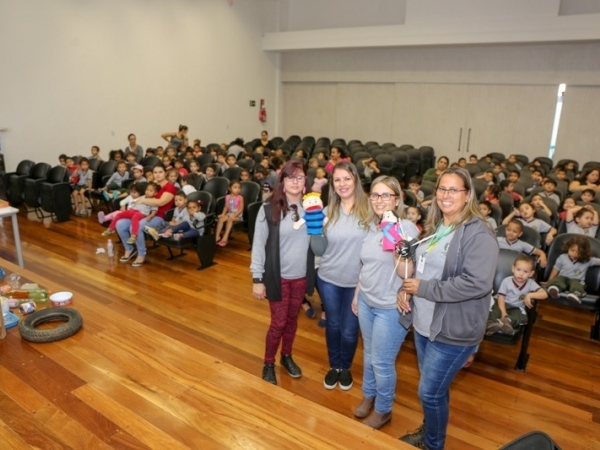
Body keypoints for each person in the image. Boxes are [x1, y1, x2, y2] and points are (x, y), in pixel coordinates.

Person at [396, 167, 498, 450]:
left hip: (454, 330)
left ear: (467, 196)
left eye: (454, 190)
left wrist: (423, 289)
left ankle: (433, 444)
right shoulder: (439, 227)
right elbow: (422, 271)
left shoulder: (479, 234)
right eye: (442, 188)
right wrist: (405, 291)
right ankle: (430, 430)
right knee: (436, 390)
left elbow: (476, 284)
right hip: (425, 324)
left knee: (429, 392)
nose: (445, 194)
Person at [352, 176, 420, 429]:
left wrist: (393, 239)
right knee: (369, 354)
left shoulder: (407, 229)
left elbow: (406, 273)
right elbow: (365, 265)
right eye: (375, 195)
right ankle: (369, 394)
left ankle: (383, 409)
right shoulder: (370, 226)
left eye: (386, 195)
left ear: (397, 199)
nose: (380, 200)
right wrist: (358, 294)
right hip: (367, 300)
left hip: (391, 308)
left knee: (382, 361)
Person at [250, 160, 315, 386]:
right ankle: (268, 362)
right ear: (283, 182)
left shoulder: (313, 209)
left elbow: (317, 244)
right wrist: (257, 279)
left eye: (300, 177)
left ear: (305, 181)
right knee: (278, 323)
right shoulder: (269, 208)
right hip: (277, 278)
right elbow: (258, 245)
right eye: (291, 177)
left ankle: (286, 356)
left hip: (300, 277)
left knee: (291, 321)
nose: (295, 181)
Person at [316, 162, 370, 391]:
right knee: (334, 325)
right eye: (337, 180)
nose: (342, 184)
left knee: (349, 331)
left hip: (357, 283)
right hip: (328, 278)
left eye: (347, 178)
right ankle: (334, 366)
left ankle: (345, 366)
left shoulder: (369, 211)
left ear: (355, 180)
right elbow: (318, 248)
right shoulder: (327, 212)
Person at [115, 164, 177, 267]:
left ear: (165, 173)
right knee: (120, 224)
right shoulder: (152, 185)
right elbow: (137, 195)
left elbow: (161, 202)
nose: (158, 175)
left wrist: (143, 200)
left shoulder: (170, 187)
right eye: (155, 172)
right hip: (143, 213)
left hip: (159, 216)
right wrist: (126, 203)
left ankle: (141, 253)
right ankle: (129, 249)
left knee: (136, 226)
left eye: (160, 172)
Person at [486, 254, 547, 335]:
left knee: (521, 316)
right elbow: (501, 298)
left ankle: (506, 322)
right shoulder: (506, 281)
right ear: (513, 268)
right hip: (501, 303)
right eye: (518, 270)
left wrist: (530, 295)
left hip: (516, 307)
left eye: (525, 271)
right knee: (494, 309)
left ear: (531, 273)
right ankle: (490, 324)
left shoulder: (530, 283)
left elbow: (544, 294)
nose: (521, 274)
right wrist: (504, 313)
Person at [546, 235, 600, 303]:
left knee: (576, 283)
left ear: (584, 253)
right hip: (563, 278)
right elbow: (555, 270)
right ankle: (554, 288)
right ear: (568, 248)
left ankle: (576, 294)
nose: (574, 254)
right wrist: (549, 281)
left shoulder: (588, 260)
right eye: (572, 250)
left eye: (578, 252)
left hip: (577, 280)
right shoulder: (562, 257)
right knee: (558, 279)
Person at [215, 180, 244, 247]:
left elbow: (241, 209)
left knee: (230, 219)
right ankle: (217, 236)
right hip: (229, 214)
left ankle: (225, 237)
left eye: (239, 188)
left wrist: (235, 215)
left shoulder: (240, 198)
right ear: (230, 188)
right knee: (221, 219)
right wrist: (223, 214)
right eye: (235, 187)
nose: (237, 189)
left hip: (238, 216)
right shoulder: (227, 197)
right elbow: (226, 207)